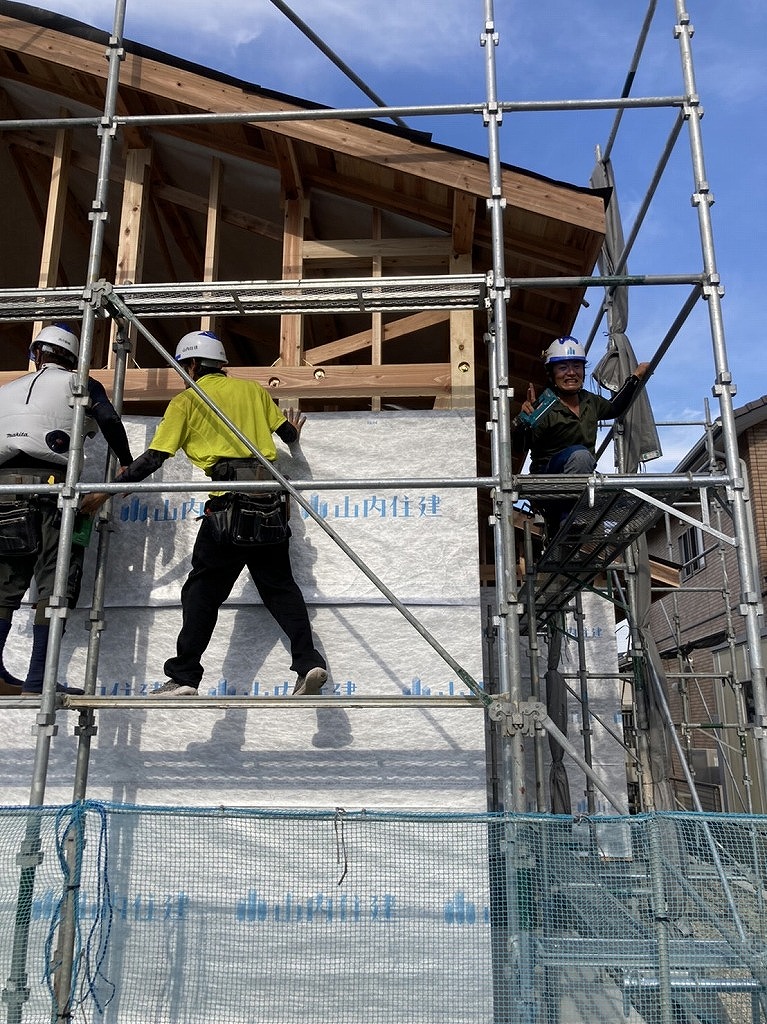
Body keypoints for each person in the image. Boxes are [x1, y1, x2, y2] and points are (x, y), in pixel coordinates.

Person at [82, 329, 328, 698]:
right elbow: (287, 433)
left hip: (228, 505)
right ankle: (308, 663)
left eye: (185, 366)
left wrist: (105, 492)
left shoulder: (187, 402)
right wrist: (294, 435)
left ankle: (184, 677)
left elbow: (154, 458)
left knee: (202, 591)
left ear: (193, 364)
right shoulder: (254, 391)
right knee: (280, 588)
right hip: (269, 502)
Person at [0, 323, 133, 696]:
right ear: (73, 358)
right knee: (54, 584)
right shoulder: (80, 384)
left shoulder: (5, 391)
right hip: (50, 490)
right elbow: (107, 419)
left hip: (3, 492)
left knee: (4, 586)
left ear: (37, 354)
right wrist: (126, 463)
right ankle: (39, 677)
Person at [513, 335, 650, 529]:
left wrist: (636, 377)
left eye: (577, 366)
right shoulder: (544, 406)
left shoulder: (589, 401)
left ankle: (568, 517)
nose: (571, 373)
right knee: (581, 456)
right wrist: (524, 422)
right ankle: (570, 516)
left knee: (622, 496)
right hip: (548, 485)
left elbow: (614, 408)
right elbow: (519, 446)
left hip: (577, 484)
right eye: (563, 367)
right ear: (551, 374)